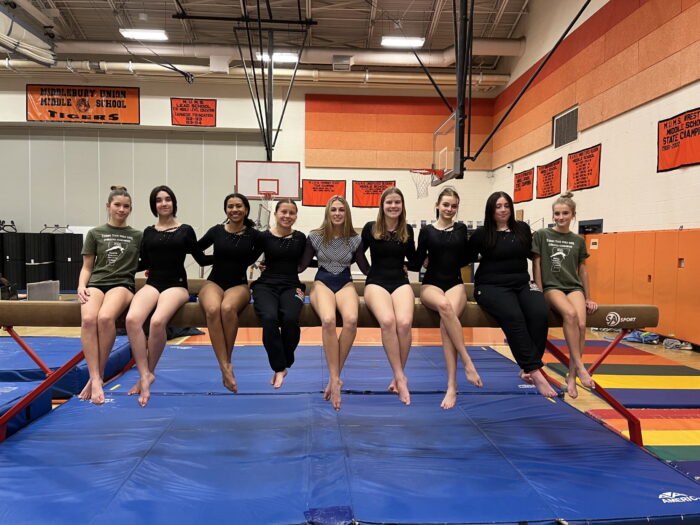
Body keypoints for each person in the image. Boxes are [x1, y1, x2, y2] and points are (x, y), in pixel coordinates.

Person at [125, 185, 210, 407]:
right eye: (159, 200)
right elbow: (144, 263)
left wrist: (230, 257)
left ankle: (150, 372)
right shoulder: (148, 232)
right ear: (153, 205)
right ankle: (144, 374)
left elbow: (201, 259)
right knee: (132, 320)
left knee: (157, 322)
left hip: (177, 285)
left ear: (174, 203)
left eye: (167, 199)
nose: (164, 203)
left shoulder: (185, 230)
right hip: (153, 283)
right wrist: (116, 264)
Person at [466, 191, 557, 398]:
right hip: (490, 286)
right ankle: (535, 372)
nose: (503, 210)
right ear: (491, 209)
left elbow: (536, 257)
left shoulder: (521, 228)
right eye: (498, 206)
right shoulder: (482, 234)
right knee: (514, 316)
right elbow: (463, 257)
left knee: (539, 312)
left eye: (506, 205)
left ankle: (528, 368)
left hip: (521, 284)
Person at [411, 187, 483, 409]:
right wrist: (400, 262)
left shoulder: (461, 229)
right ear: (437, 205)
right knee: (443, 305)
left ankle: (452, 386)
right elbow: (416, 261)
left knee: (446, 322)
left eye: (454, 206)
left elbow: (465, 258)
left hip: (454, 283)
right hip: (431, 285)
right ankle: (467, 361)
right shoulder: (426, 231)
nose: (449, 209)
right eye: (445, 205)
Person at [298, 195, 369, 410]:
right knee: (328, 320)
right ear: (328, 212)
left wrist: (398, 268)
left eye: (341, 210)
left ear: (347, 213)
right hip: (322, 282)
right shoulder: (315, 237)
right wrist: (273, 264)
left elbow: (366, 269)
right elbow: (301, 266)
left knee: (351, 321)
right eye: (334, 209)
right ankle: (335, 379)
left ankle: (334, 377)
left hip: (345, 282)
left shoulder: (355, 239)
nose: (337, 213)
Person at [77, 186, 142, 405]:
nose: (121, 209)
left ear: (130, 209)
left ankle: (98, 375)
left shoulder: (137, 235)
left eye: (126, 206)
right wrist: (81, 286)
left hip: (122, 284)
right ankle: (95, 378)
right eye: (117, 205)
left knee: (105, 318)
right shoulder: (95, 233)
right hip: (96, 283)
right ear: (108, 206)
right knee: (88, 319)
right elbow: (87, 266)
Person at [532, 192, 597, 398]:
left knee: (581, 325)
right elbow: (537, 263)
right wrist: (539, 290)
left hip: (573, 287)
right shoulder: (543, 235)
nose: (560, 217)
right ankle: (581, 367)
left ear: (573, 215)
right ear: (553, 215)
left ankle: (572, 377)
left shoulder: (578, 240)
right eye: (557, 213)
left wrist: (588, 296)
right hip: (552, 287)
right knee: (570, 314)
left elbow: (583, 269)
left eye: (565, 213)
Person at [197, 193, 260, 394]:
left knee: (227, 308)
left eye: (238, 206)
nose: (234, 210)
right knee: (213, 309)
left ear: (246, 209)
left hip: (238, 284)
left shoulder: (254, 235)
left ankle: (227, 362)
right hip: (214, 282)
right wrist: (214, 259)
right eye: (230, 206)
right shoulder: (216, 231)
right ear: (226, 210)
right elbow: (196, 250)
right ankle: (225, 366)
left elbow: (262, 254)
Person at [361, 187, 415, 406]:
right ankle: (401, 377)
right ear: (382, 206)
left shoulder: (407, 230)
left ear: (402, 206)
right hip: (376, 282)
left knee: (404, 323)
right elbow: (357, 254)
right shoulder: (371, 228)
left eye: (397, 202)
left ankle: (397, 375)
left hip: (400, 282)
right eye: (389, 202)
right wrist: (367, 271)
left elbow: (414, 259)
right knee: (388, 321)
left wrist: (429, 256)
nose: (393, 206)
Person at [250, 199, 306, 389]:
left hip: (292, 285)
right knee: (269, 317)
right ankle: (279, 368)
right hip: (266, 285)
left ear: (296, 216)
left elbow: (308, 261)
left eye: (291, 213)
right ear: (275, 214)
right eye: (283, 212)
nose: (287, 216)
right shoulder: (263, 237)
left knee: (290, 318)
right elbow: (248, 258)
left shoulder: (300, 238)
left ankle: (284, 363)